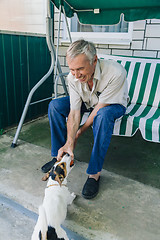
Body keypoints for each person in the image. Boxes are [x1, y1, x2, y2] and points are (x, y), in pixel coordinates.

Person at [43, 39, 128, 199]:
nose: (76, 75)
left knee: (103, 116)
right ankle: (59, 157)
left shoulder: (116, 72)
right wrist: (69, 141)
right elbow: (75, 112)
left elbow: (99, 109)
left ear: (94, 60)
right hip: (87, 101)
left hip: (111, 105)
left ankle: (94, 173)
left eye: (80, 69)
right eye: (72, 69)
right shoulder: (72, 78)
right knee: (55, 106)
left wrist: (78, 134)